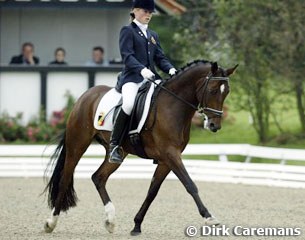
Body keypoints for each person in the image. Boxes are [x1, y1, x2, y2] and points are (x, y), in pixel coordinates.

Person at [109, 0, 177, 164]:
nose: (148, 15)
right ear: (135, 11)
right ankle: (115, 145)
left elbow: (160, 58)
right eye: (145, 11)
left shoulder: (153, 35)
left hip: (151, 79)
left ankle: (159, 144)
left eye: (150, 12)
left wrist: (172, 70)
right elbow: (127, 56)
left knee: (164, 103)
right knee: (129, 104)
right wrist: (141, 69)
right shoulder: (127, 31)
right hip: (132, 78)